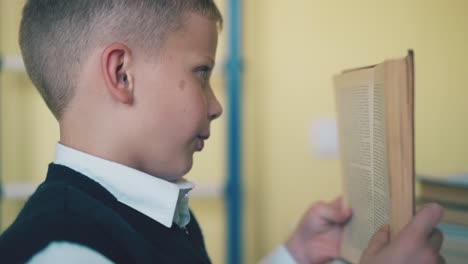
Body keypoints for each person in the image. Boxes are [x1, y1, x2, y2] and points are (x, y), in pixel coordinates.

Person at [0, 0, 443, 263]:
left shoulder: (149, 211)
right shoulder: (65, 252)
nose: (216, 106)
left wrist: (293, 253)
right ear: (122, 74)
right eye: (202, 71)